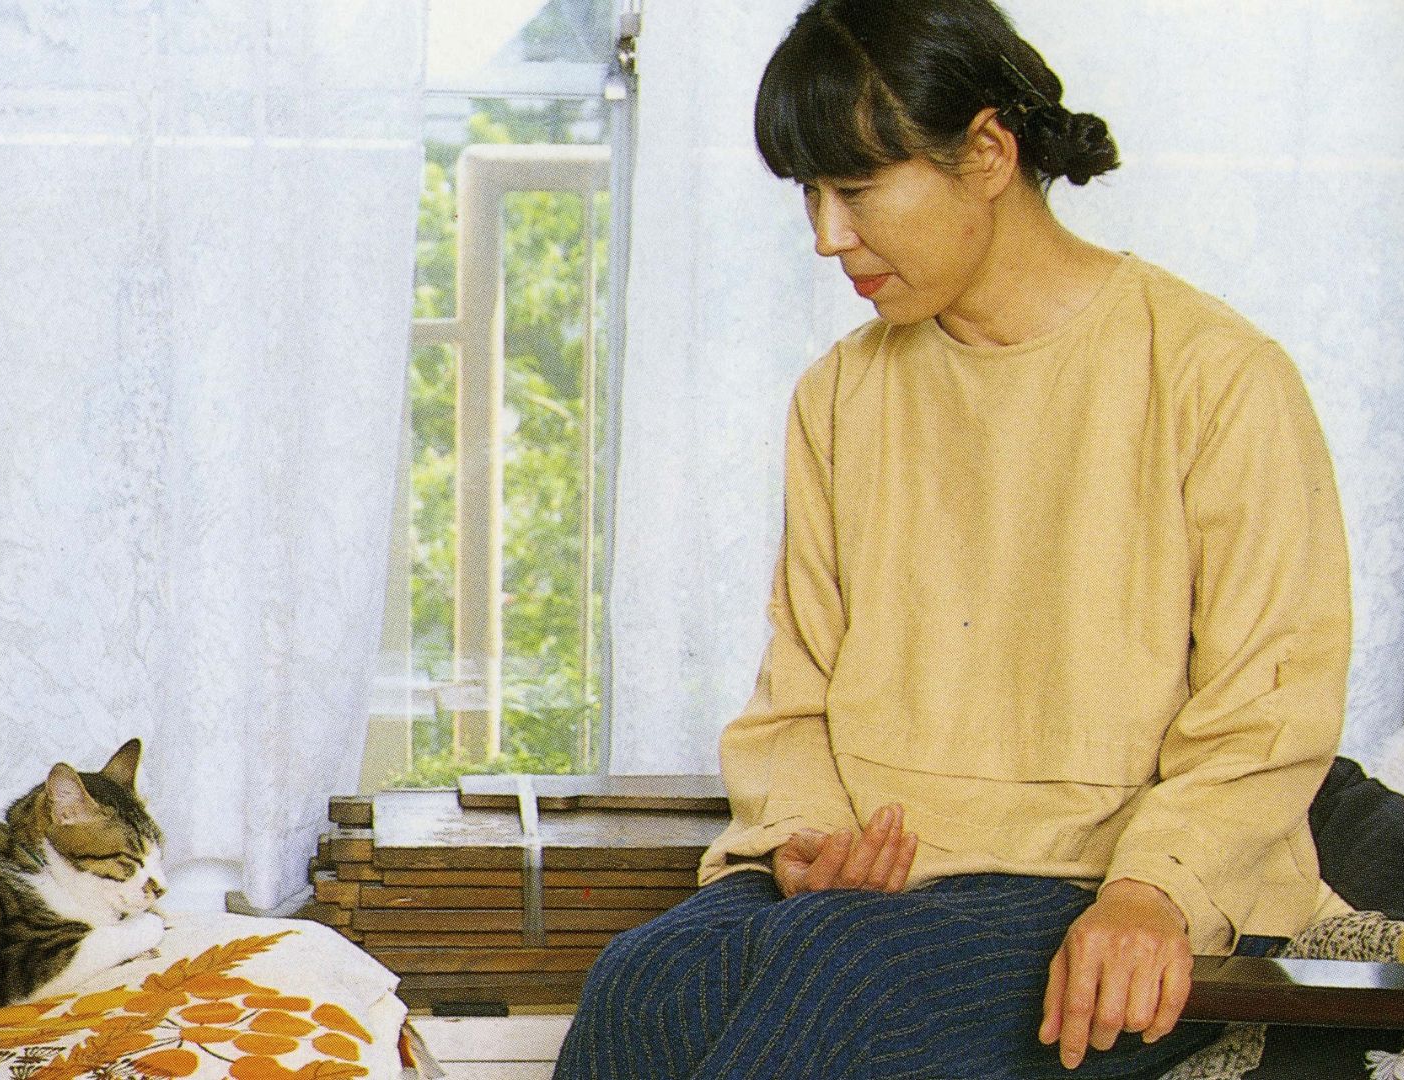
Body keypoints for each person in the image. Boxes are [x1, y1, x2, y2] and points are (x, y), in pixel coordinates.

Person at [553, 1, 1355, 1077]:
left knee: (848, 978)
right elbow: (798, 686)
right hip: (890, 886)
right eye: (809, 194)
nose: (827, 236)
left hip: (1112, 883)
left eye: (855, 189)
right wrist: (809, 839)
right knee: (647, 979)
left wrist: (1152, 889)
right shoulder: (841, 393)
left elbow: (1273, 707)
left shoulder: (1218, 375)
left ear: (986, 152)